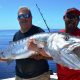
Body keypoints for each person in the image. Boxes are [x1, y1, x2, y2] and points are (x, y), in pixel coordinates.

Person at [13, 7, 50, 80]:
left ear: (31, 17)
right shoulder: (16, 36)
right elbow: (12, 55)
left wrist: (41, 55)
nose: (23, 18)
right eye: (21, 16)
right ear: (18, 19)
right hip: (19, 77)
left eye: (26, 15)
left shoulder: (40, 33)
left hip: (39, 76)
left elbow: (51, 54)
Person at [58, 8, 80, 80]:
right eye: (70, 16)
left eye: (76, 17)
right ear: (64, 18)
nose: (73, 19)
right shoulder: (58, 35)